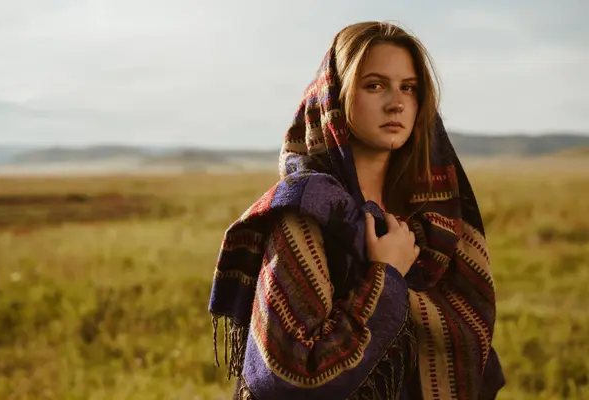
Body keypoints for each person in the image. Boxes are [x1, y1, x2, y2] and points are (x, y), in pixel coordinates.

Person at [208, 21, 505, 399]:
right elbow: (290, 374)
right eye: (375, 85)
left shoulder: (434, 219)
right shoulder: (308, 210)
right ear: (336, 97)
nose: (396, 102)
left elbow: (471, 348)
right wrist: (387, 277)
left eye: (409, 88)